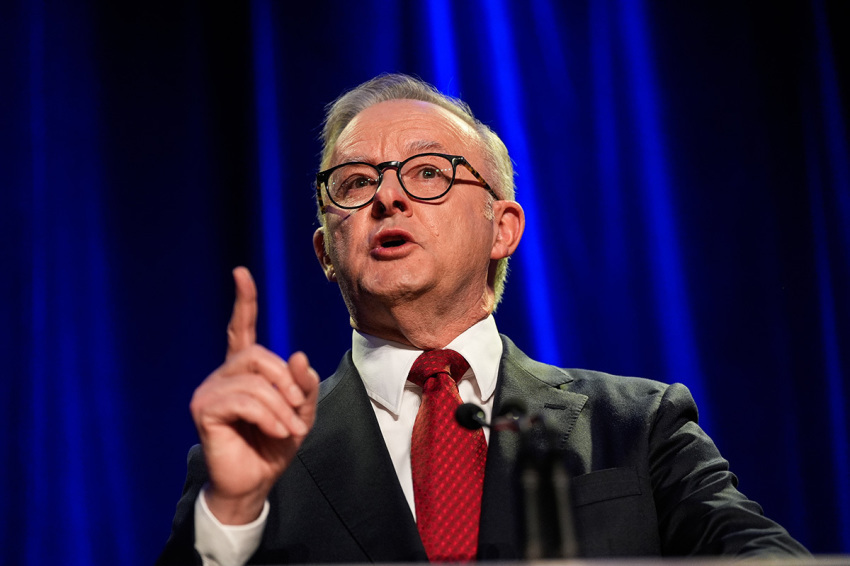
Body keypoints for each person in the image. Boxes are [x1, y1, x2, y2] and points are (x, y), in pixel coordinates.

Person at [158, 74, 808, 565]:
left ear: (502, 228)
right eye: (355, 183)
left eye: (428, 173)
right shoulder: (253, 459)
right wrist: (234, 515)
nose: (388, 196)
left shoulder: (638, 424)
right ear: (327, 252)